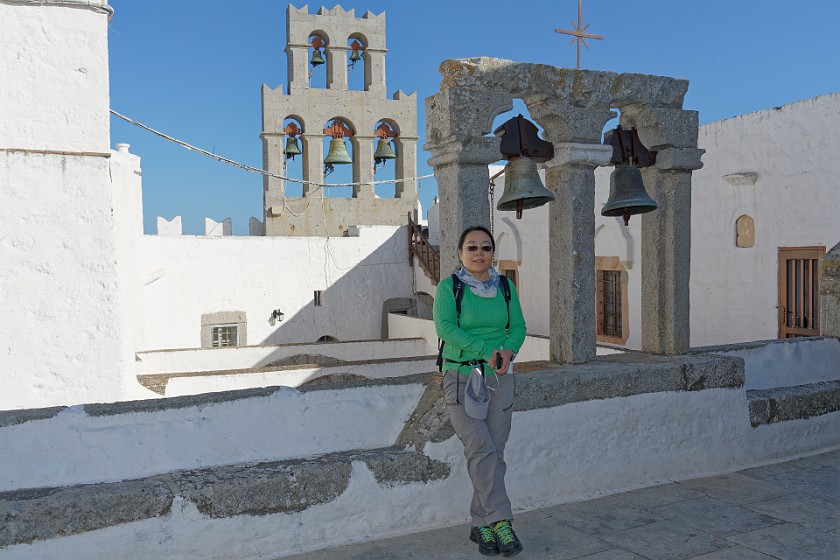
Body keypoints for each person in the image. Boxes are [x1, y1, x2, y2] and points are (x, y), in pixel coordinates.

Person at [433, 225, 527, 557]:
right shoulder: (449, 288)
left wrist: (508, 351)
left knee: (493, 451)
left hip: (501, 377)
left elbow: (518, 326)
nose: (479, 253)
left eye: (485, 247)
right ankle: (501, 520)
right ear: (460, 253)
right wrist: (486, 348)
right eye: (471, 247)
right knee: (481, 446)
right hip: (460, 376)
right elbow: (446, 327)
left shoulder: (505, 287)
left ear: (492, 253)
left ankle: (480, 523)